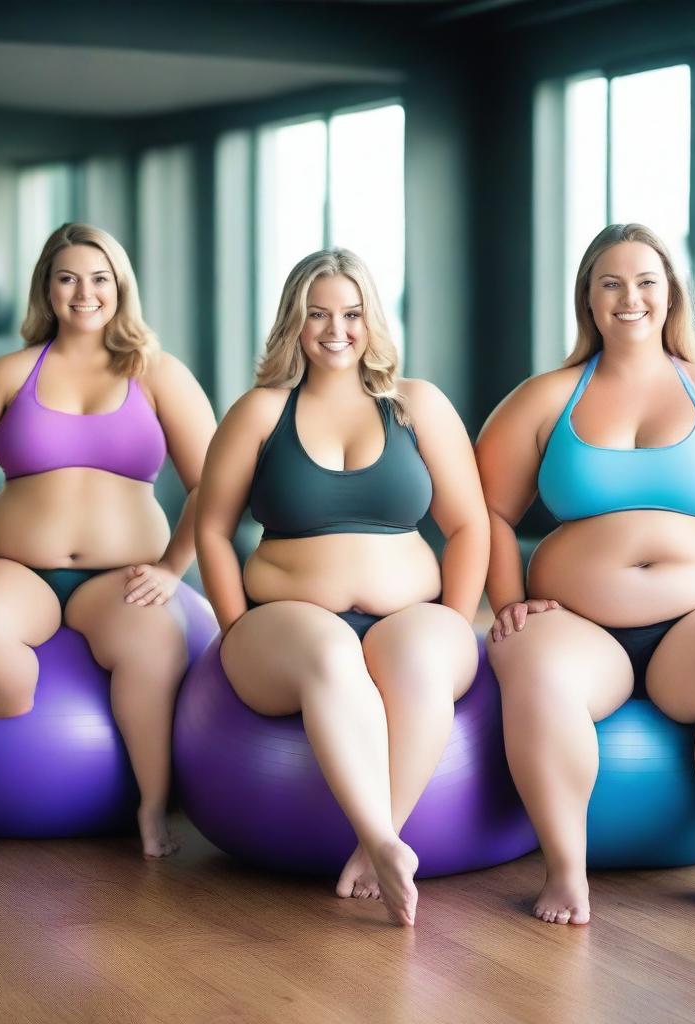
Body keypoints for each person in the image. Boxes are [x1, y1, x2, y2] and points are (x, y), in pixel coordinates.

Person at [476, 223, 695, 924]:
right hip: (581, 627)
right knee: (532, 666)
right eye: (611, 283)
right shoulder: (544, 398)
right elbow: (489, 513)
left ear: (671, 295)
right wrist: (507, 603)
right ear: (588, 301)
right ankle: (567, 869)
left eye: (647, 281)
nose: (631, 297)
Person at [195, 249, 489, 927]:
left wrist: (452, 617)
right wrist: (237, 627)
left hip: (409, 616)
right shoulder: (261, 411)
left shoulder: (417, 405)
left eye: (352, 314)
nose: (336, 330)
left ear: (372, 319)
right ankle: (383, 839)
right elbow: (212, 530)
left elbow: (470, 524)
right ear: (293, 323)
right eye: (318, 314)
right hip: (290, 624)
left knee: (418, 658)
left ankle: (375, 842)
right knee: (330, 653)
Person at [0, 222, 217, 859]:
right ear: (47, 290)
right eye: (67, 279)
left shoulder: (159, 374)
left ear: (121, 287)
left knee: (154, 649)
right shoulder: (8, 372)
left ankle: (149, 809)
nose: (84, 293)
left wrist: (173, 568)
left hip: (121, 579)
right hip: (18, 570)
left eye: (99, 278)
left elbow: (212, 484)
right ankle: (15, 755)